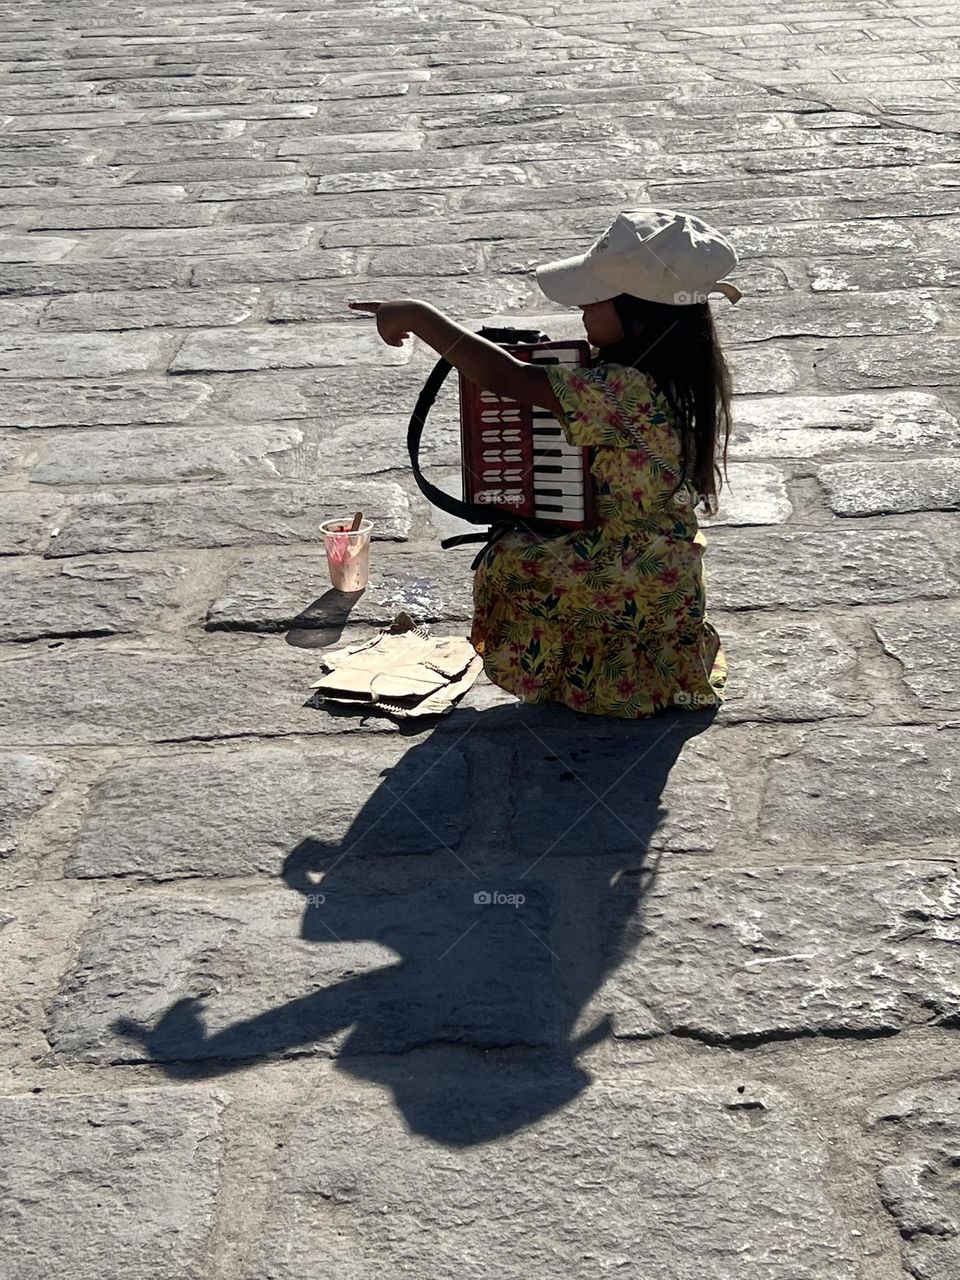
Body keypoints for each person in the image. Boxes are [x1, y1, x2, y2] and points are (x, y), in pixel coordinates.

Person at [349, 207, 742, 718]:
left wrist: (419, 316)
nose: (581, 311)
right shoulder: (670, 372)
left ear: (638, 314)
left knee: (507, 561)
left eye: (591, 300)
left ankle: (582, 675)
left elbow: (508, 380)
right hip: (665, 570)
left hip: (634, 577)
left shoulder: (623, 389)